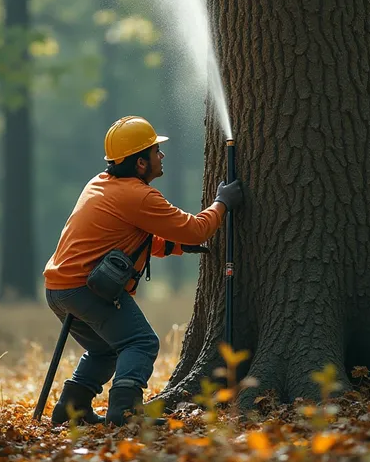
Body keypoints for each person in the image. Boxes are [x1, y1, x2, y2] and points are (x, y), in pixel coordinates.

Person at [43, 115, 243, 427]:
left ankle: (71, 410)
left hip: (59, 289)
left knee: (104, 350)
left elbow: (131, 242)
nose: (160, 156)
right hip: (86, 289)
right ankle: (125, 414)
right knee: (140, 342)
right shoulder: (139, 196)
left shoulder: (101, 184)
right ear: (139, 164)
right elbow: (195, 230)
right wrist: (222, 203)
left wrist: (177, 247)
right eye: (154, 151)